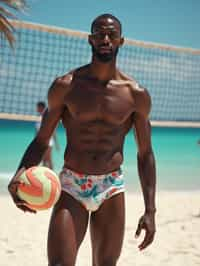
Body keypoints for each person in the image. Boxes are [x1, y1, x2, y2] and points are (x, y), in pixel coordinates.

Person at [8, 14, 156, 266]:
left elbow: (145, 154)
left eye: (111, 34)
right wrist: (19, 174)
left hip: (111, 186)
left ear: (121, 40)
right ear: (90, 39)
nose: (105, 39)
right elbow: (42, 141)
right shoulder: (65, 86)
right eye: (99, 34)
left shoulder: (135, 95)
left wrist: (150, 210)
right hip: (71, 184)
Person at [35, 101, 59, 169]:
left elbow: (53, 131)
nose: (36, 109)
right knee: (43, 160)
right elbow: (37, 132)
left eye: (37, 107)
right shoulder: (38, 118)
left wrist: (57, 144)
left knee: (48, 159)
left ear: (41, 107)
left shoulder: (47, 117)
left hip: (48, 142)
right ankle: (44, 176)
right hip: (42, 142)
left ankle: (52, 176)